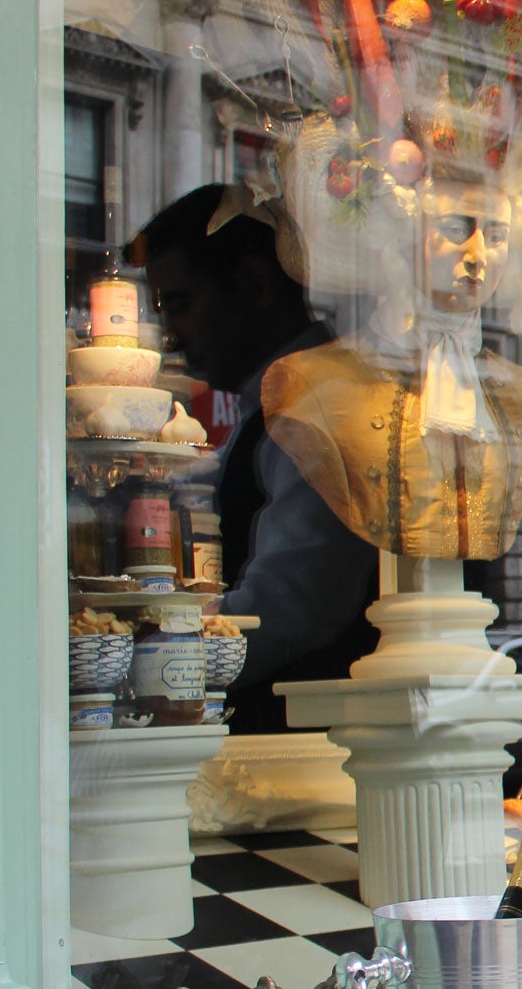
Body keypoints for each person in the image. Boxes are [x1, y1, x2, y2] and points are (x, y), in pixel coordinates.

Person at [131, 186, 378, 732]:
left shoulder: (319, 404)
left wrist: (157, 661)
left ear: (256, 285)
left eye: (181, 304)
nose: (171, 336)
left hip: (309, 746)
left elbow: (293, 602)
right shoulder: (274, 405)